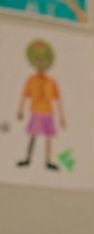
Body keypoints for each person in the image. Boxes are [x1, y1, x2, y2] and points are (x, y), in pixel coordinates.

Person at [15, 40, 65, 173]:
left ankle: (48, 161)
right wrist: (20, 110)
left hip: (48, 113)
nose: (41, 63)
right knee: (33, 135)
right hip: (36, 112)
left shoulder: (51, 82)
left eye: (44, 60)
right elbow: (24, 95)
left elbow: (58, 100)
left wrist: (62, 117)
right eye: (38, 60)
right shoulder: (31, 80)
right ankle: (28, 158)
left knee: (48, 137)